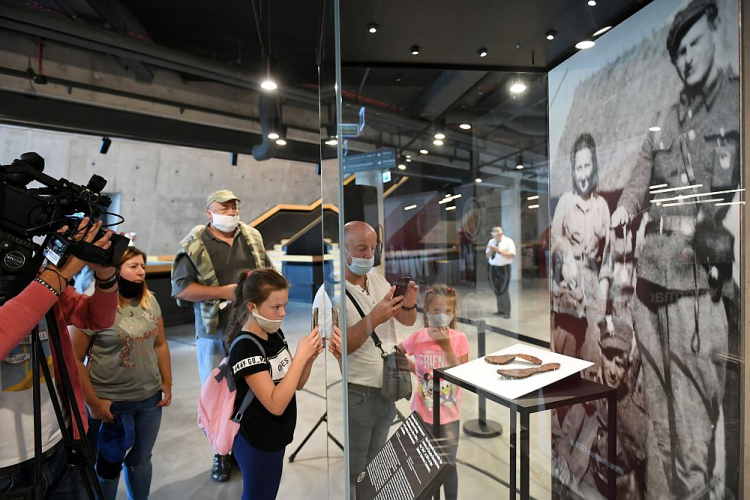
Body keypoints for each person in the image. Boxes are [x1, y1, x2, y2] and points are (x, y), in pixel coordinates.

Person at [610, 1, 738, 496]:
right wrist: (624, 210)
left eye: (693, 45)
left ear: (714, 30)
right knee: (659, 434)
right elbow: (640, 178)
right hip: (650, 292)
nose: (686, 58)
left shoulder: (735, 103)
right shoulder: (667, 118)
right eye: (678, 52)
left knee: (691, 439)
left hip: (694, 294)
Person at [0, 218, 119, 499]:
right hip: (6, 470)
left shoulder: (32, 273)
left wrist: (106, 276)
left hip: (63, 444)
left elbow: (96, 317)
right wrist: (59, 274)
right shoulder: (46, 278)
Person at [171, 189, 272, 481]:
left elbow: (267, 272)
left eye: (233, 207)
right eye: (223, 208)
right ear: (209, 213)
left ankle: (242, 448)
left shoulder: (252, 237)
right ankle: (221, 453)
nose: (230, 213)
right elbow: (181, 288)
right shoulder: (193, 245)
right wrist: (223, 292)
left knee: (251, 391)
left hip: (252, 330)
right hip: (214, 332)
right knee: (219, 397)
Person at [71, 246, 173, 500]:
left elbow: (160, 344)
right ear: (114, 271)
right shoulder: (93, 305)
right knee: (108, 466)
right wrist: (93, 403)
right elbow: (73, 359)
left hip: (149, 400)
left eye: (142, 266)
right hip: (110, 404)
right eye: (133, 267)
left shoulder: (150, 301)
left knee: (140, 460)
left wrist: (167, 382)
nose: (140, 273)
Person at [225, 269, 323, 500]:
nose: (283, 313)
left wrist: (308, 359)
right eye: (275, 307)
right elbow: (275, 404)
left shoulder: (274, 334)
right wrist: (299, 358)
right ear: (252, 307)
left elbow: (296, 383)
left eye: (284, 305)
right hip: (258, 441)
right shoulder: (245, 347)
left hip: (277, 436)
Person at [341, 221, 418, 496]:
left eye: (372, 249)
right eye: (361, 249)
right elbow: (343, 347)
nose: (368, 256)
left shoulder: (378, 280)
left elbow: (406, 320)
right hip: (359, 394)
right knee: (357, 470)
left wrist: (407, 302)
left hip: (388, 385)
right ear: (344, 249)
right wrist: (374, 318)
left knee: (376, 464)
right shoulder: (332, 293)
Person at [396, 285, 469, 500]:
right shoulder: (418, 338)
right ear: (426, 311)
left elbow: (463, 374)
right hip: (422, 413)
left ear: (453, 313)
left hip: (449, 416)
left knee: (448, 464)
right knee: (423, 465)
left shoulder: (459, 339)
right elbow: (398, 352)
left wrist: (446, 347)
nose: (442, 316)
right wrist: (414, 368)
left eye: (447, 311)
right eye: (436, 311)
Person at [550, 133, 612, 358]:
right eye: (578, 168)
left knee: (592, 361)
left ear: (594, 166)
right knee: (566, 360)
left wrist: (602, 301)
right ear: (572, 170)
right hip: (568, 295)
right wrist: (565, 256)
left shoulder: (603, 207)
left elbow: (608, 258)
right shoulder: (565, 202)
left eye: (587, 166)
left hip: (594, 297)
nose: (583, 174)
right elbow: (554, 244)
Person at [485, 226, 516, 318]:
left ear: (501, 234)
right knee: (496, 288)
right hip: (493, 267)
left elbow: (511, 255)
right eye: (494, 235)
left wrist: (499, 251)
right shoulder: (491, 242)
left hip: (504, 267)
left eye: (497, 235)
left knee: (503, 288)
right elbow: (487, 255)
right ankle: (500, 310)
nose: (495, 237)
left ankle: (506, 311)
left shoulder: (508, 242)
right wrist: (491, 249)